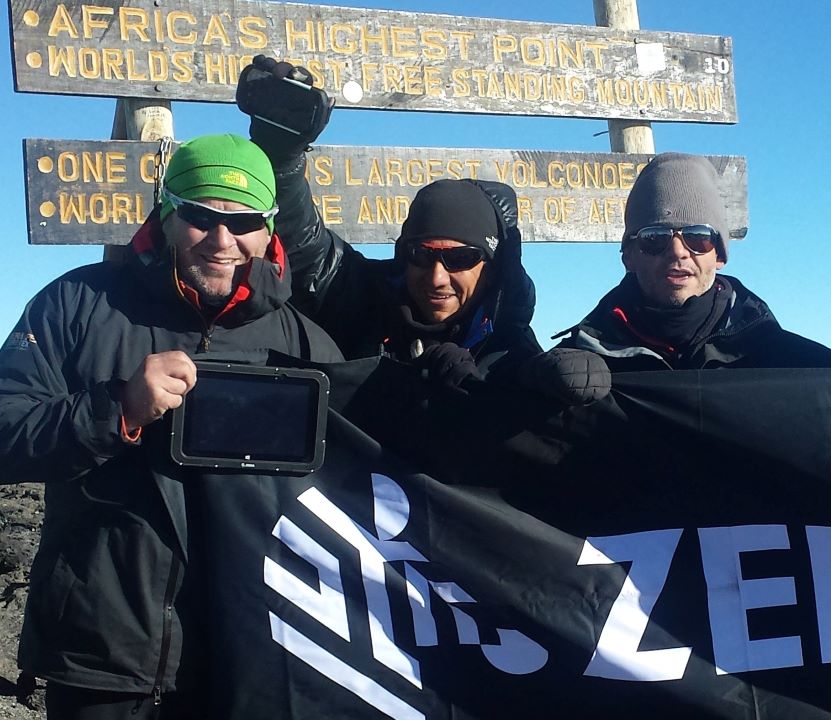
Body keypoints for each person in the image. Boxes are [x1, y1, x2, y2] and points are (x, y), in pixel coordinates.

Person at [0, 134, 343, 718]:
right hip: (100, 660)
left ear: (270, 230)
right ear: (166, 214)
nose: (221, 240)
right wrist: (120, 408)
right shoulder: (76, 304)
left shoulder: (310, 345)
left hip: (248, 662)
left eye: (243, 222)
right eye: (199, 216)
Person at [236, 56, 540, 388]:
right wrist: (279, 155)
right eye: (421, 255)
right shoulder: (364, 303)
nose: (437, 277)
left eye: (460, 258)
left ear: (491, 265)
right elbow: (304, 244)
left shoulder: (515, 350)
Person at [555, 152, 831, 370]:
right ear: (628, 256)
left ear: (719, 254)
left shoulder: (805, 368)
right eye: (654, 237)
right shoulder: (573, 367)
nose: (678, 251)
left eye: (698, 236)